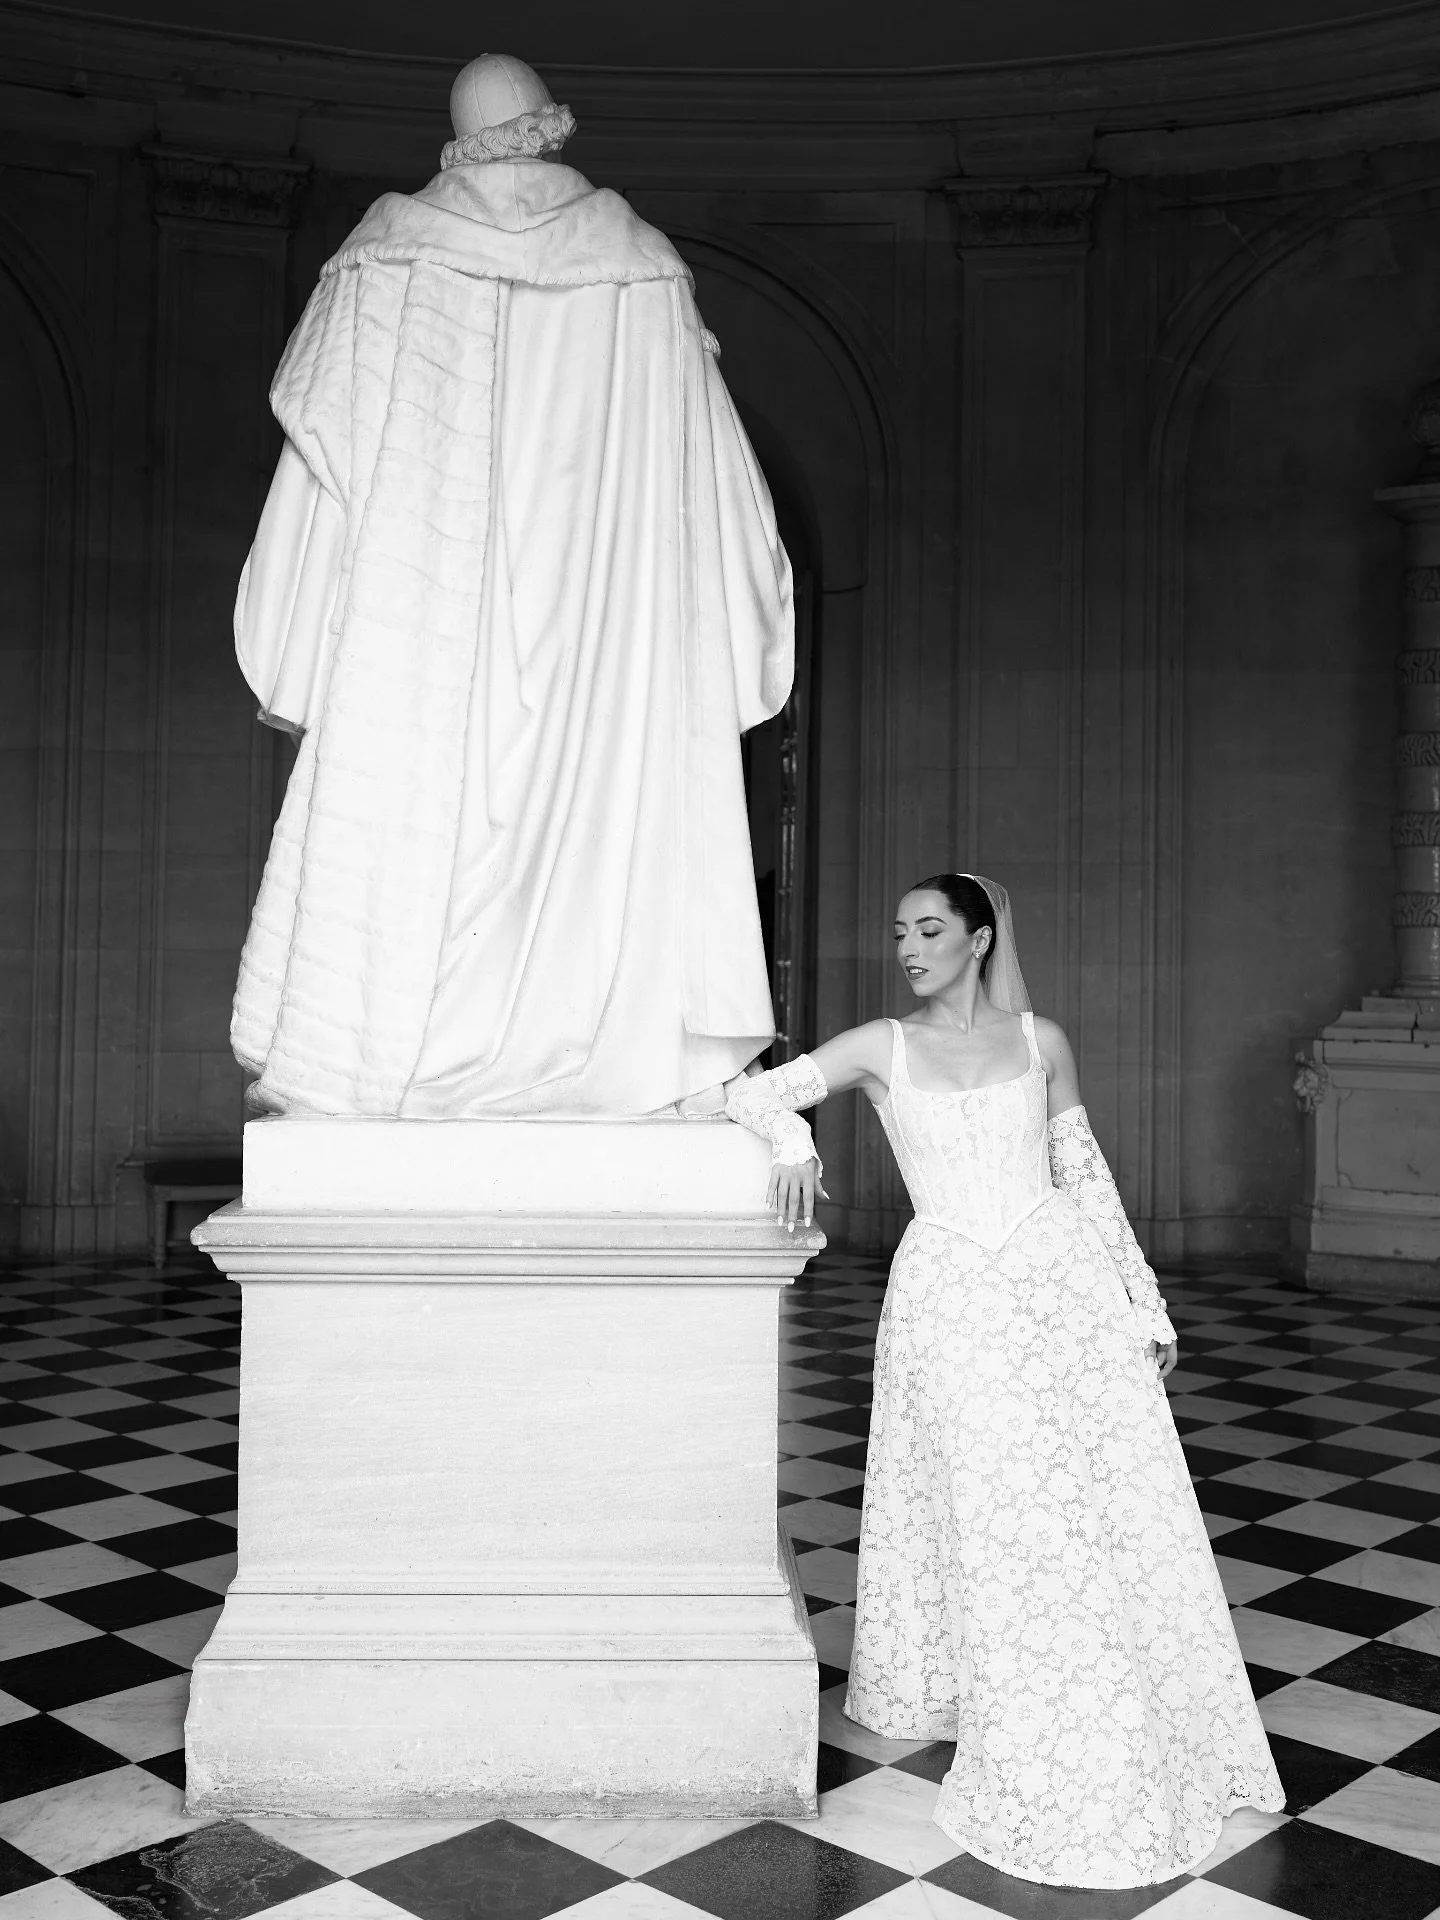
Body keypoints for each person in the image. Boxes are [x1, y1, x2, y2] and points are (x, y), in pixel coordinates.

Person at [231, 54, 791, 1120]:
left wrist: (307, 621)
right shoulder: (638, 265)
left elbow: (319, 469)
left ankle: (406, 1059)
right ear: (547, 124)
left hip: (422, 621)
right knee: (605, 805)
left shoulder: (381, 264)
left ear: (460, 133)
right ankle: (613, 1053)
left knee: (421, 806)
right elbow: (720, 496)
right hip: (601, 646)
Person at [724, 872, 1284, 1889]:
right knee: (986, 1495)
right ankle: (982, 1686)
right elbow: (749, 1092)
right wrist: (794, 1136)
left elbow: (1087, 1179)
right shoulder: (880, 1046)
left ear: (980, 939)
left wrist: (1144, 1302)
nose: (908, 947)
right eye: (899, 931)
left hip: (1061, 1285)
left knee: (1074, 1498)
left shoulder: (1043, 1041)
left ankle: (1097, 1679)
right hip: (948, 1294)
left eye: (929, 929)